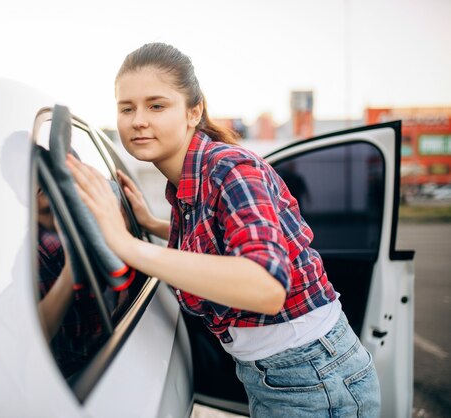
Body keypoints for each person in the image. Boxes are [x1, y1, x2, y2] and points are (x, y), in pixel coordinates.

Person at [66, 42, 381, 417]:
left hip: (314, 378)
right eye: (126, 108)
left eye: (156, 105)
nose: (138, 120)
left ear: (193, 111)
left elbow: (266, 287)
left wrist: (127, 245)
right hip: (281, 373)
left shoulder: (227, 169)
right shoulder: (187, 180)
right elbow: (221, 239)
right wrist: (151, 224)